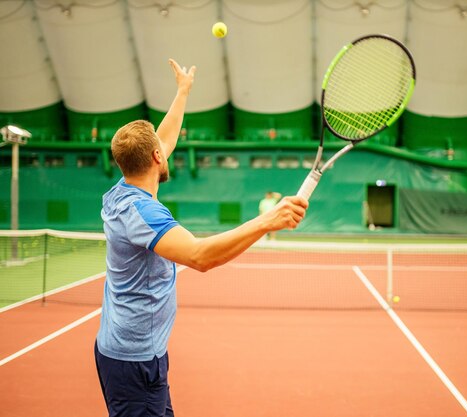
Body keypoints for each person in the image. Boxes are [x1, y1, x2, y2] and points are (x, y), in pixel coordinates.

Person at [94, 59, 308, 417]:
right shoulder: (144, 214)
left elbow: (163, 139)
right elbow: (200, 256)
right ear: (156, 158)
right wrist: (267, 221)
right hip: (136, 362)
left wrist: (182, 92)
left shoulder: (119, 192)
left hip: (128, 352)